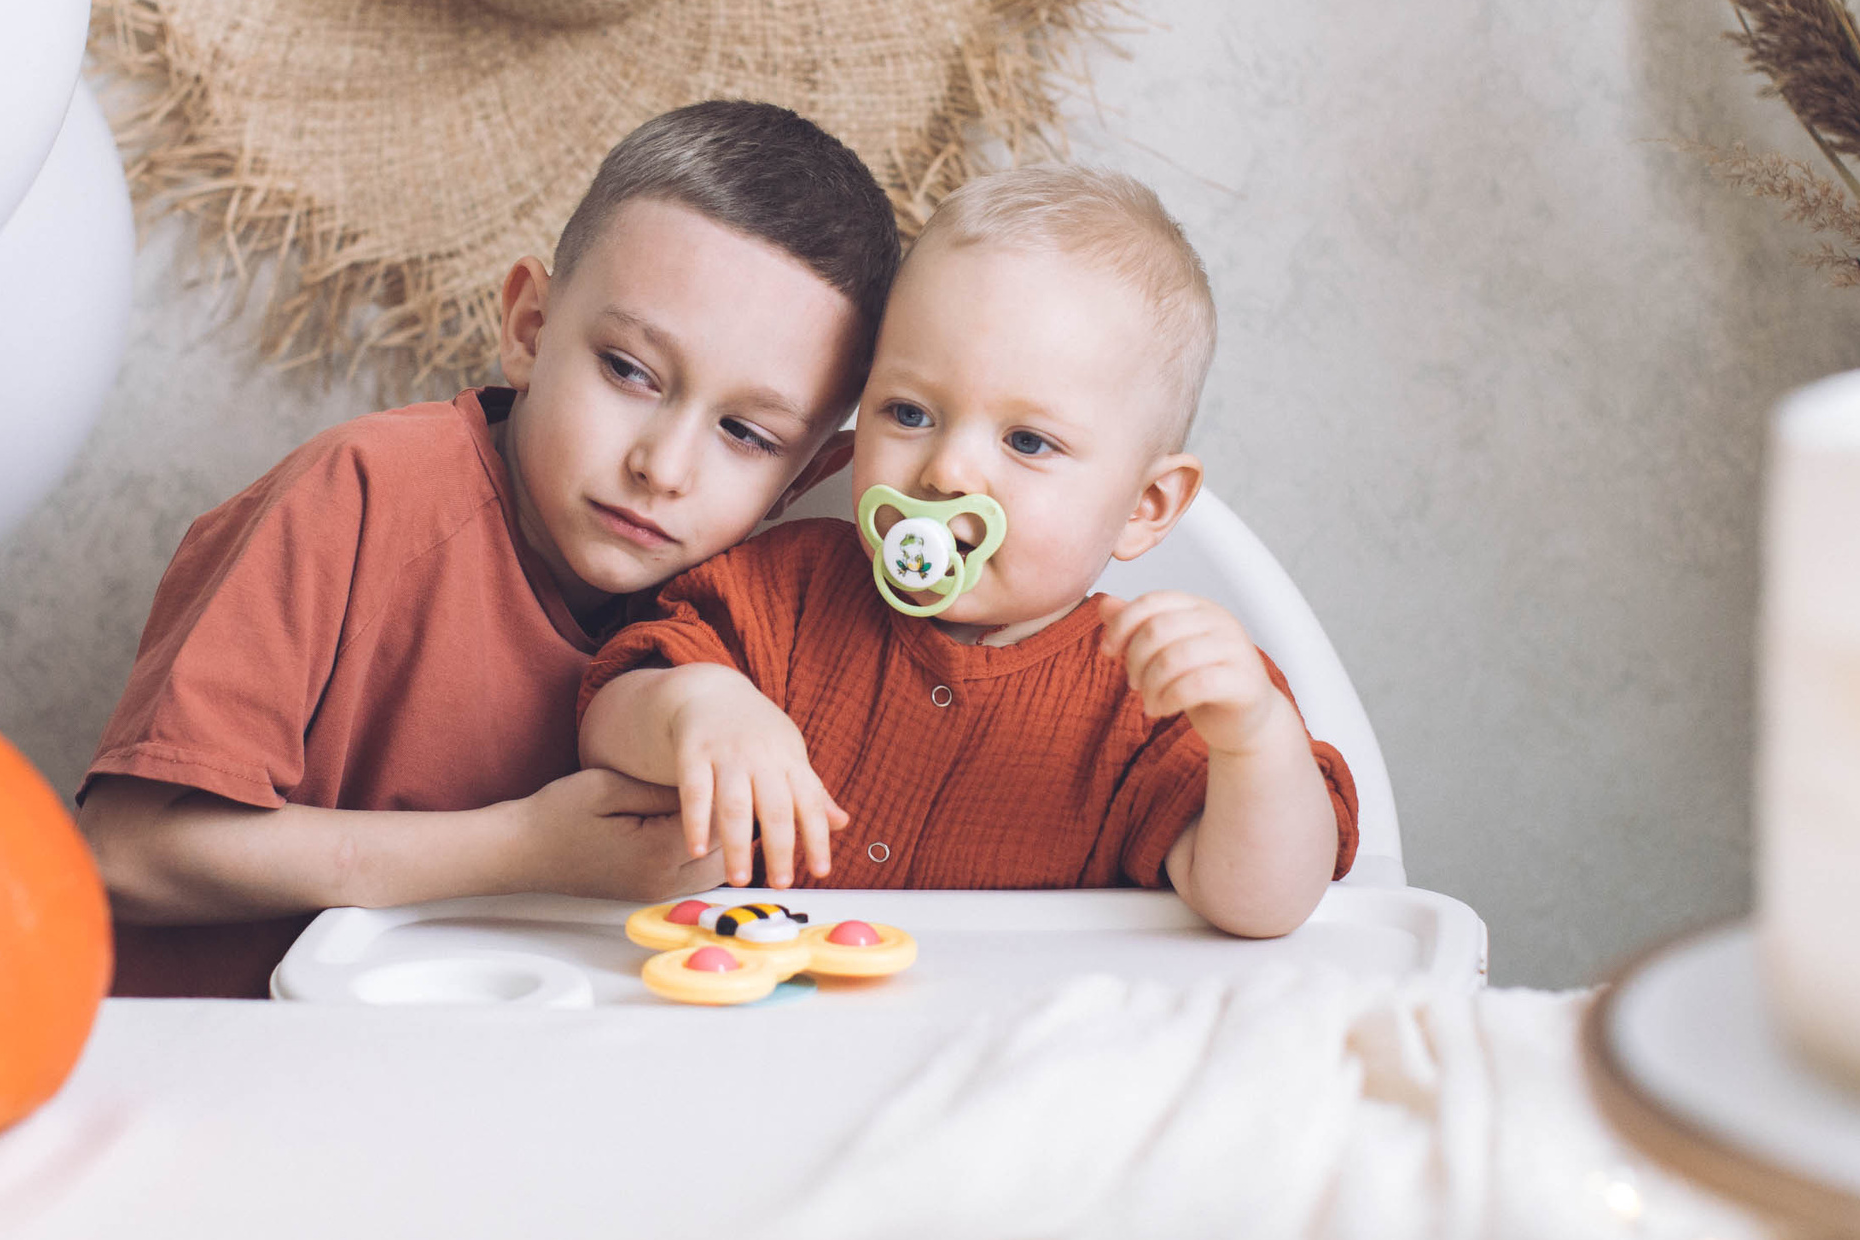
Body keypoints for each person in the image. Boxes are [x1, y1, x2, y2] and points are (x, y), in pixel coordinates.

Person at [80, 100, 901, 995]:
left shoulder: (756, 608)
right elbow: (123, 851)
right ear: (530, 329)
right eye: (629, 371)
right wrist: (523, 847)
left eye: (745, 431)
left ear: (801, 476)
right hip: (223, 1063)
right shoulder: (355, 497)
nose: (662, 467)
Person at [578, 165, 1359, 937]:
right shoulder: (788, 589)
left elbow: (1263, 903)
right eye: (910, 412)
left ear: (1144, 507)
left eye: (1027, 440)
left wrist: (1252, 740)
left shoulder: (1152, 691)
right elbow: (605, 712)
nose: (947, 470)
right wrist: (696, 708)